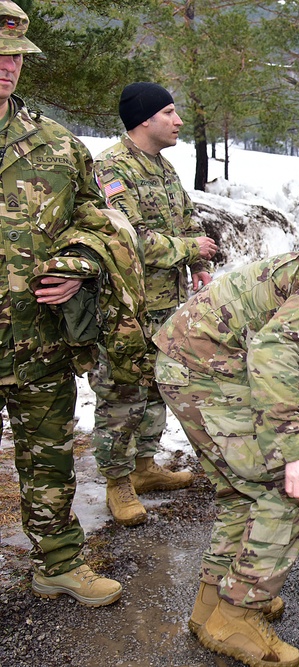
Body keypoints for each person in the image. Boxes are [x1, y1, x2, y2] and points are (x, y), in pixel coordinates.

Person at [154, 248, 299, 667]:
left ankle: (213, 602)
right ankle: (236, 616)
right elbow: (272, 351)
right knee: (286, 493)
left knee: (240, 493)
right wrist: (295, 449)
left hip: (193, 361)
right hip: (209, 368)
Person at [0, 0, 122, 606]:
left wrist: (78, 266)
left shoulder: (56, 145)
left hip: (35, 340)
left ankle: (56, 564)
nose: (6, 67)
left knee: (48, 460)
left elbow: (97, 220)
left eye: (16, 56)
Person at [92, 81, 219, 526]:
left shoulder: (162, 168)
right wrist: (190, 249)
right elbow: (128, 239)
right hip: (126, 310)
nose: (178, 120)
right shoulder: (111, 168)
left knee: (155, 385)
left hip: (167, 305)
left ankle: (144, 467)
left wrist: (197, 264)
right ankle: (117, 481)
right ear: (144, 118)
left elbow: (186, 216)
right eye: (168, 112)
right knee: (120, 392)